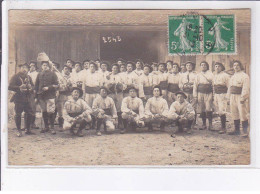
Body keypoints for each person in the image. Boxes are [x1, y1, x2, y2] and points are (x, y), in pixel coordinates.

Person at [9, 63, 34, 137]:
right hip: (18, 98)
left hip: (27, 98)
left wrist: (31, 87)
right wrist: (19, 87)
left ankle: (27, 129)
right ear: (20, 68)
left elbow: (32, 86)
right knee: (18, 114)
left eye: (26, 68)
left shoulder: (28, 77)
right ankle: (19, 130)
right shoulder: (15, 76)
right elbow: (10, 86)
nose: (24, 69)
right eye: (23, 67)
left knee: (29, 113)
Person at [35, 61, 59, 134]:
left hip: (50, 95)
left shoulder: (53, 74)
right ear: (41, 66)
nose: (44, 66)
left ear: (49, 66)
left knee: (51, 111)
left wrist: (48, 88)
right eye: (43, 65)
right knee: (44, 111)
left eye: (46, 65)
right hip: (41, 95)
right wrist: (36, 96)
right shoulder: (39, 74)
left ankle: (52, 127)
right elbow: (36, 86)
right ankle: (46, 127)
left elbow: (56, 85)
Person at [227, 60, 250, 137]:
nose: (236, 67)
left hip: (240, 96)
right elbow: (230, 87)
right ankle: (236, 130)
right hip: (233, 96)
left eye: (237, 65)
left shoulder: (245, 76)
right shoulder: (233, 76)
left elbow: (246, 88)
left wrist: (243, 98)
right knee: (234, 113)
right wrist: (228, 97)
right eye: (234, 65)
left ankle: (245, 131)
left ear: (240, 66)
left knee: (243, 113)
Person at [193, 61, 214, 131]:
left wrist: (213, 94)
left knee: (208, 108)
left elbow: (213, 84)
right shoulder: (198, 75)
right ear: (200, 67)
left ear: (207, 66)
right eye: (202, 65)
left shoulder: (211, 74)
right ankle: (204, 124)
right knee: (202, 109)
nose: (203, 66)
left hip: (208, 93)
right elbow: (195, 86)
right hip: (200, 93)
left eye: (205, 65)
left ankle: (210, 124)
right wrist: (195, 95)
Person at [105, 63, 125, 129]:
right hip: (111, 93)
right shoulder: (108, 76)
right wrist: (110, 85)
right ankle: (111, 122)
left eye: (116, 68)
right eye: (113, 68)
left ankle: (119, 123)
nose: (115, 69)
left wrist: (120, 85)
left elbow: (124, 85)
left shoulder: (121, 76)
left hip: (119, 93)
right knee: (111, 107)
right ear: (111, 69)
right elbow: (105, 85)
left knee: (119, 107)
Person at [213, 62, 230, 134]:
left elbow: (229, 86)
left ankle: (223, 127)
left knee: (222, 110)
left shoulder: (225, 75)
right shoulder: (215, 75)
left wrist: (228, 96)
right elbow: (213, 86)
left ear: (222, 67)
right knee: (219, 111)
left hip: (223, 94)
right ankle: (221, 126)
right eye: (216, 66)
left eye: (218, 66)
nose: (217, 68)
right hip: (216, 94)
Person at [55, 64, 72, 131]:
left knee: (69, 109)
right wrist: (62, 86)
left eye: (68, 69)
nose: (66, 70)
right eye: (65, 69)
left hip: (69, 95)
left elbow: (73, 87)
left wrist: (69, 85)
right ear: (63, 69)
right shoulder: (60, 77)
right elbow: (58, 86)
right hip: (61, 95)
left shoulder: (72, 77)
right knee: (60, 110)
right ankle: (60, 125)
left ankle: (71, 124)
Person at [28, 61, 39, 129]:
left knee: (33, 108)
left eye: (33, 66)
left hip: (34, 92)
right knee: (27, 108)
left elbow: (37, 84)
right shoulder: (27, 73)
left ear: (35, 67)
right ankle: (27, 124)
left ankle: (33, 123)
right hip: (27, 93)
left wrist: (35, 91)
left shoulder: (37, 74)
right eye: (30, 66)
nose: (32, 67)